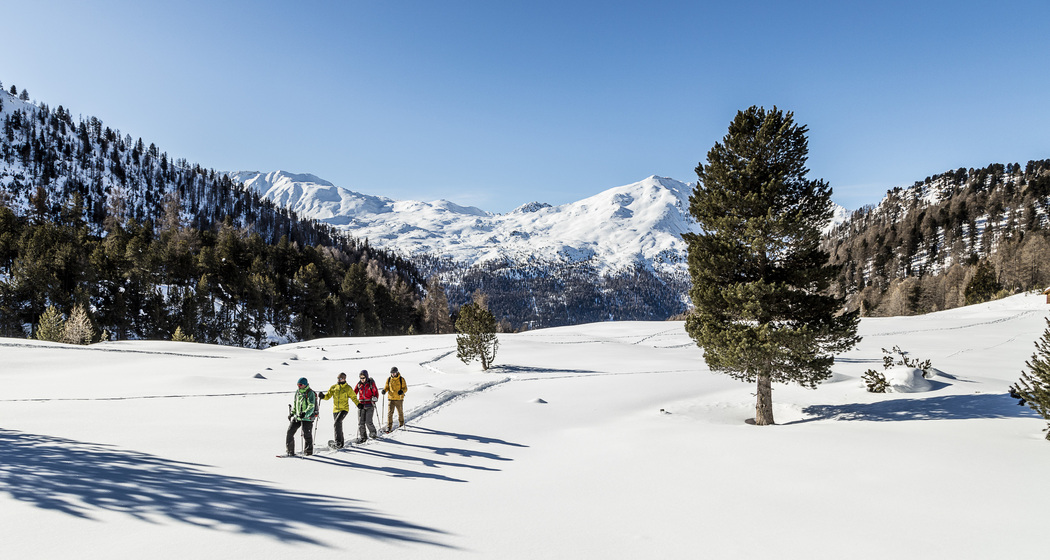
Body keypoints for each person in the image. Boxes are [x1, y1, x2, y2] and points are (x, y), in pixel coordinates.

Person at [318, 372, 359, 448]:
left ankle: (338, 442)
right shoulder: (334, 387)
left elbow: (353, 397)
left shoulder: (348, 388)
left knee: (337, 423)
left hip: (344, 409)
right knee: (338, 425)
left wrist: (358, 404)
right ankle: (341, 443)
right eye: (338, 378)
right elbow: (328, 396)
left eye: (340, 378)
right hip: (335, 410)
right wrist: (323, 396)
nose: (339, 379)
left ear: (344, 379)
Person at [286, 377, 317, 456]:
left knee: (307, 435)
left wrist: (305, 413)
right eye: (297, 384)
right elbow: (296, 404)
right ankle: (290, 451)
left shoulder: (310, 393)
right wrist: (292, 413)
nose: (298, 386)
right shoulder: (297, 392)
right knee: (290, 432)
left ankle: (308, 453)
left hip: (307, 418)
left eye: (300, 384)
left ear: (305, 384)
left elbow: (311, 406)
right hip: (298, 417)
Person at [354, 369, 380, 443]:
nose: (362, 379)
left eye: (363, 378)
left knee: (368, 421)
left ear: (367, 377)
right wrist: (357, 403)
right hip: (361, 405)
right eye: (361, 378)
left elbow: (376, 393)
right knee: (361, 423)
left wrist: (375, 398)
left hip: (369, 405)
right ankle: (363, 437)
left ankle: (373, 433)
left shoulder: (371, 383)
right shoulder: (359, 384)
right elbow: (353, 393)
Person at [382, 366, 408, 432]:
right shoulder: (389, 379)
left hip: (399, 399)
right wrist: (384, 390)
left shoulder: (401, 379)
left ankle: (401, 423)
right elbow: (386, 387)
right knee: (390, 413)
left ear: (397, 372)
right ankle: (389, 426)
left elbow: (405, 388)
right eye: (392, 373)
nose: (393, 374)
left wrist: (402, 391)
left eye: (394, 372)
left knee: (400, 412)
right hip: (391, 398)